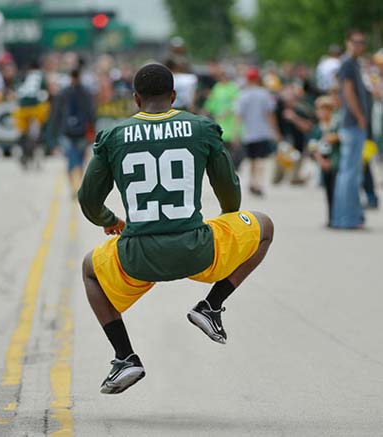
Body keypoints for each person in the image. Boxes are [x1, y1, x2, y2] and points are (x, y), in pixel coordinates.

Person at [78, 64, 274, 395]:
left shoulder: (114, 136)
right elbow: (230, 193)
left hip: (137, 256)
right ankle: (211, 305)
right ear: (173, 96)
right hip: (197, 251)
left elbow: (88, 200)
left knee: (89, 270)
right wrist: (228, 226)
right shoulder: (200, 127)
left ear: (136, 98)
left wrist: (110, 220)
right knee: (265, 227)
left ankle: (125, 356)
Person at [331, 29, 369, 229]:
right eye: (356, 41)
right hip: (353, 124)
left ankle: (349, 217)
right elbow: (347, 92)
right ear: (348, 42)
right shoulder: (347, 63)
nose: (359, 45)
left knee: (351, 173)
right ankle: (347, 218)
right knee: (350, 174)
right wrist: (360, 116)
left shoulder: (353, 64)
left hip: (351, 124)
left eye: (362, 42)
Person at [235, 67, 281, 196]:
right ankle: (258, 183)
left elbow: (239, 116)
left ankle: (251, 182)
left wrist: (236, 133)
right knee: (261, 159)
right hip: (262, 131)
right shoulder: (264, 94)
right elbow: (270, 114)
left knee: (251, 159)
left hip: (248, 133)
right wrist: (275, 131)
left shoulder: (242, 95)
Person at [53, 69, 95, 195]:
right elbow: (91, 113)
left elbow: (57, 113)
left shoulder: (64, 93)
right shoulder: (85, 93)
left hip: (71, 131)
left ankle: (75, 186)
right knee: (75, 160)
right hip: (75, 131)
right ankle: (75, 186)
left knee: (75, 160)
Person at [308, 96, 340, 225]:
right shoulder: (318, 129)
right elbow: (313, 147)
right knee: (328, 190)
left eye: (327, 110)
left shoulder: (335, 126)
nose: (324, 113)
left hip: (335, 161)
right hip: (324, 161)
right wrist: (321, 161)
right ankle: (331, 217)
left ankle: (337, 216)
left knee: (337, 190)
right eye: (321, 110)